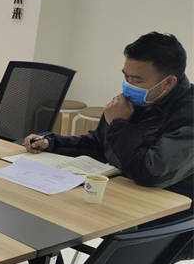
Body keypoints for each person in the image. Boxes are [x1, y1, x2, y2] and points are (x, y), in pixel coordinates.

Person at [24, 32, 192, 201]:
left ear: (168, 83)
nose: (128, 85)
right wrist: (51, 142)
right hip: (120, 191)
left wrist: (118, 123)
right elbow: (98, 145)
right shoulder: (138, 99)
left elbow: (149, 173)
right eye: (126, 76)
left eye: (137, 80)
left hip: (166, 207)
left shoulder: (187, 114)